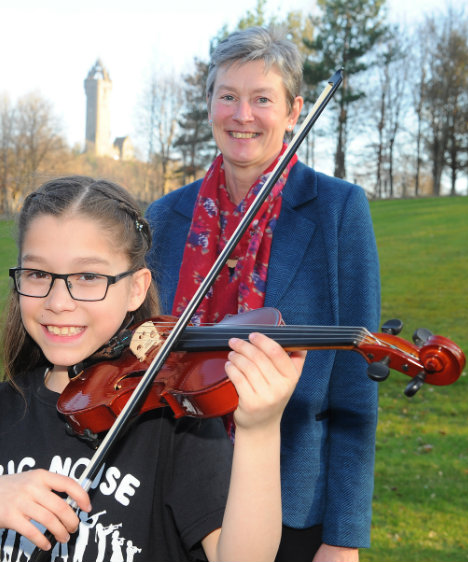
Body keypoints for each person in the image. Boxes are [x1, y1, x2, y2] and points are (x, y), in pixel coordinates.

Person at [0, 175, 306, 562]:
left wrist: (260, 430)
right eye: (38, 275)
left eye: (88, 277)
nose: (58, 302)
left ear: (136, 289)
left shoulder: (174, 424)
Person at [145, 26, 381, 562]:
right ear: (209, 104)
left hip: (292, 498)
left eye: (261, 99)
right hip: (173, 489)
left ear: (295, 111)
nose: (242, 115)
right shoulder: (164, 216)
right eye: (227, 96)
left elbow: (354, 389)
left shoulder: (337, 210)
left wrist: (343, 538)